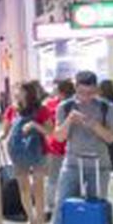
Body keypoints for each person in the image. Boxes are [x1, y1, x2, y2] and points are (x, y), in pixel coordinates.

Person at [48, 71, 113, 224]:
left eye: (90, 93)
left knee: (97, 207)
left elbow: (111, 138)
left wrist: (94, 125)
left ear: (96, 89)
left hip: (99, 165)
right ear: (75, 89)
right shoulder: (65, 107)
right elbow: (59, 137)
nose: (85, 98)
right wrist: (69, 121)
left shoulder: (107, 107)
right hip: (72, 163)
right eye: (81, 93)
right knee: (62, 204)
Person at [0, 82, 49, 224]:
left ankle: (39, 223)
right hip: (17, 151)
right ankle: (31, 218)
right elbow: (4, 131)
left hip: (38, 151)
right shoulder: (11, 110)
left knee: (38, 188)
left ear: (28, 93)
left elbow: (50, 131)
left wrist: (35, 125)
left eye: (18, 90)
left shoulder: (42, 110)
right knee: (24, 188)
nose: (15, 93)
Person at [39, 80, 74, 215]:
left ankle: (51, 205)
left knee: (53, 177)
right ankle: (58, 203)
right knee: (63, 177)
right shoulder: (74, 105)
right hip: (66, 145)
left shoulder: (51, 105)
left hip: (58, 145)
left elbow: (46, 125)